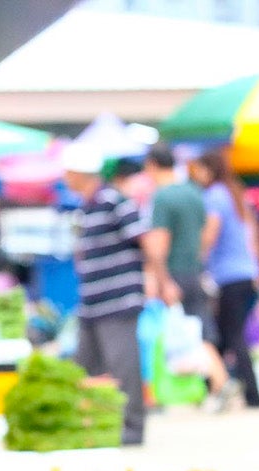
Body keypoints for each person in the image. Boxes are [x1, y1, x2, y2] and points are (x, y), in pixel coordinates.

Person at [62, 143, 160, 446]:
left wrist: (161, 280)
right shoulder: (84, 208)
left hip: (118, 300)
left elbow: (146, 241)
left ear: (80, 173)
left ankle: (132, 428)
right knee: (82, 367)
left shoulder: (115, 202)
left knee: (123, 365)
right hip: (92, 303)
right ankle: (87, 424)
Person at [143, 144, 233, 404]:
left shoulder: (162, 198)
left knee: (185, 333)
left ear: (152, 165)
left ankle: (219, 380)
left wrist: (161, 279)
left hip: (174, 272)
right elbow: (206, 234)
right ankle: (218, 381)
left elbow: (158, 243)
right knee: (197, 330)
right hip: (195, 270)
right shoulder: (195, 193)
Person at [190, 148, 259, 409]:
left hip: (229, 276)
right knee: (225, 334)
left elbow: (210, 234)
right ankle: (214, 387)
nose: (195, 175)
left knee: (232, 335)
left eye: (198, 169)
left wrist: (196, 259)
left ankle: (253, 395)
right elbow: (253, 237)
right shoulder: (236, 195)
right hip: (247, 274)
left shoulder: (215, 196)